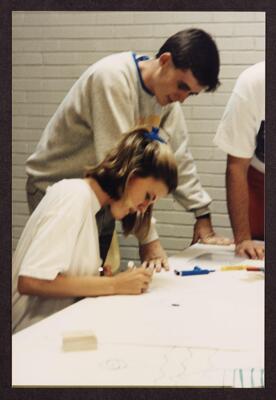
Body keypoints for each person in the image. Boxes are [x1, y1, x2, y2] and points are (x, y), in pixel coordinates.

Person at [25, 28, 231, 269]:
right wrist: (149, 240)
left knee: (88, 284)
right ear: (165, 61)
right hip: (57, 189)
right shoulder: (112, 79)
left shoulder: (167, 101)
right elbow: (120, 165)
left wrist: (202, 215)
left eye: (191, 94)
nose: (183, 98)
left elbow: (178, 158)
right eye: (182, 86)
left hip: (100, 196)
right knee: (59, 284)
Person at [12, 127, 178, 334]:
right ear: (132, 175)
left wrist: (100, 280)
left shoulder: (93, 209)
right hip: (28, 338)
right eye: (148, 195)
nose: (144, 207)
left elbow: (62, 276)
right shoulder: (73, 196)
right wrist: (115, 285)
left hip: (51, 331)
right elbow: (31, 281)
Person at [213, 61, 265, 259]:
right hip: (259, 184)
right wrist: (243, 239)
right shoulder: (254, 82)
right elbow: (236, 167)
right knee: (255, 254)